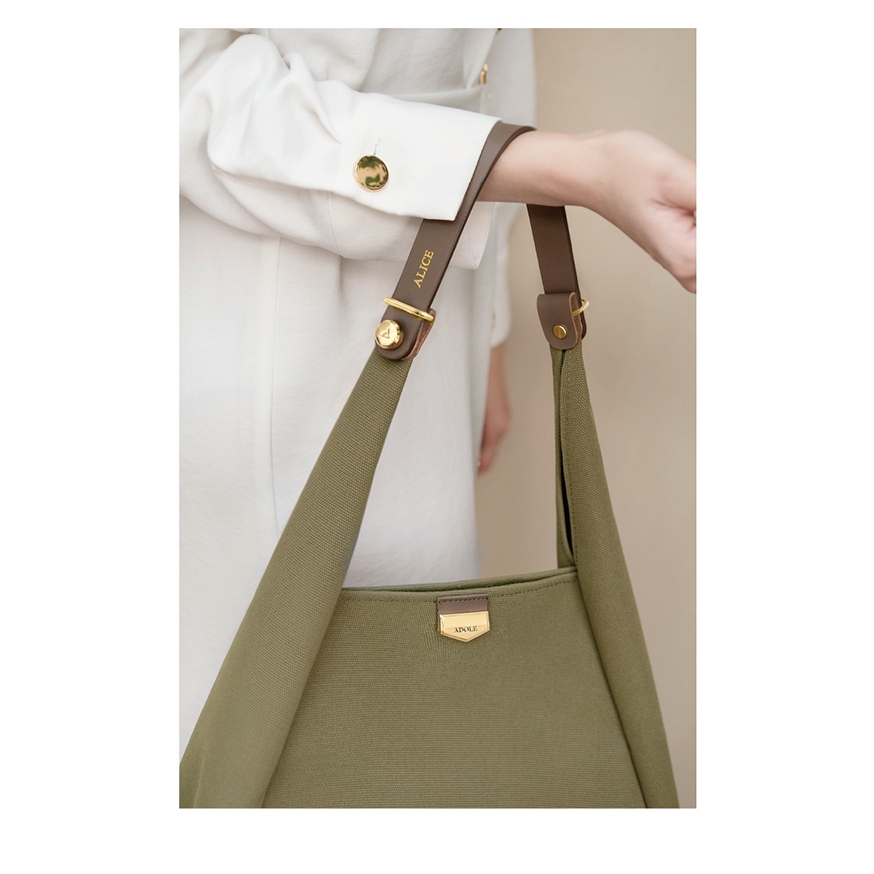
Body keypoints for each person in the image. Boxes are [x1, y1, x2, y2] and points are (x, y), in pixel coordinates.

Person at [179, 28, 696, 755]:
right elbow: (187, 85)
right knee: (262, 746)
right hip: (273, 331)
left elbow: (496, 57)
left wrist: (490, 329)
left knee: (411, 729)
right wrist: (570, 168)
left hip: (444, 292)